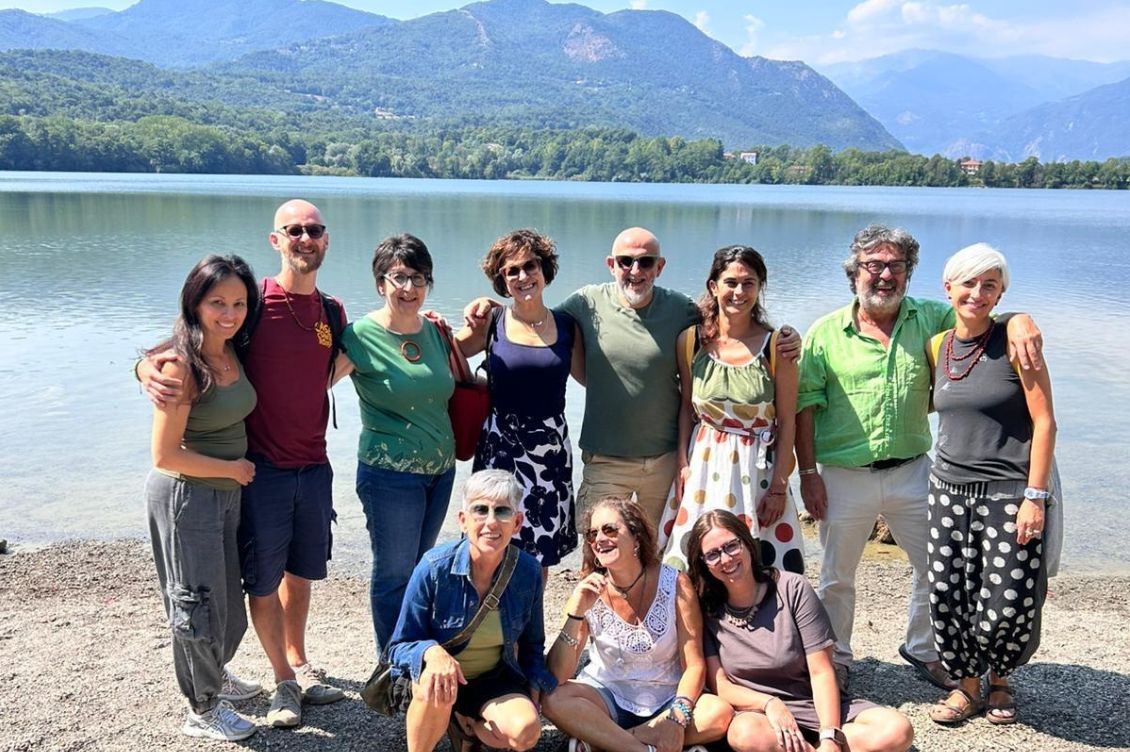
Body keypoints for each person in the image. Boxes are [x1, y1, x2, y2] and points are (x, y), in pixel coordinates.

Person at [795, 224, 1044, 693]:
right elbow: (805, 407)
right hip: (844, 475)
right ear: (855, 274)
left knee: (940, 570)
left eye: (896, 266)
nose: (884, 275)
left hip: (915, 470)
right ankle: (838, 658)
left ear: (910, 274)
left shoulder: (932, 319)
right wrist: (808, 475)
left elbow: (980, 316)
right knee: (835, 579)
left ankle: (924, 647)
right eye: (874, 266)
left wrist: (1019, 319)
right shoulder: (826, 333)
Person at [139, 199, 347, 728]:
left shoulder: (333, 312)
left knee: (296, 574)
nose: (305, 237)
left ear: (326, 239)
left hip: (313, 466)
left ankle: (297, 665)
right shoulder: (254, 305)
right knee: (254, 580)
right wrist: (142, 367)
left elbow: (361, 354)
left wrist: (439, 325)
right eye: (293, 230)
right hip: (258, 471)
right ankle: (273, 682)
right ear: (275, 240)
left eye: (314, 229)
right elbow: (184, 344)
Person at [466, 227, 800, 531]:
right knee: (599, 551)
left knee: (660, 554)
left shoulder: (682, 310)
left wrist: (782, 337)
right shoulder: (586, 303)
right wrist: (493, 307)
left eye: (645, 262)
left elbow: (730, 322)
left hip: (667, 460)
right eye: (626, 262)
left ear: (661, 266)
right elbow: (535, 318)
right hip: (605, 459)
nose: (635, 271)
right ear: (611, 264)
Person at [924, 244, 1057, 726]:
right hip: (947, 488)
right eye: (968, 284)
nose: (977, 294)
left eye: (989, 286)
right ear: (948, 288)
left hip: (1007, 492)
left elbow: (1045, 423)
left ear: (1002, 293)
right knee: (948, 592)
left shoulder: (1018, 343)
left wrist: (1035, 497)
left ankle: (1000, 677)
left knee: (1006, 599)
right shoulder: (937, 345)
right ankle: (966, 684)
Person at [144, 254, 260, 741]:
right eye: (217, 303)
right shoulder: (181, 366)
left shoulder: (234, 349)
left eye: (238, 302)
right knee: (195, 604)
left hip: (225, 498)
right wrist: (232, 469)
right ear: (195, 303)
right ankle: (201, 706)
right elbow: (165, 454)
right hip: (187, 498)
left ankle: (215, 674)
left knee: (228, 602)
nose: (229, 313)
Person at [686, 510, 914, 752]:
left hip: (814, 704)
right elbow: (720, 684)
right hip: (761, 717)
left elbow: (822, 671)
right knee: (744, 734)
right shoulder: (708, 609)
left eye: (731, 546)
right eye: (712, 554)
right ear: (703, 563)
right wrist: (770, 704)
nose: (726, 559)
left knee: (897, 730)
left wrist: (829, 736)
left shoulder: (792, 588)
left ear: (747, 543)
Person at [332, 233, 459, 658]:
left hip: (440, 473)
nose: (409, 288)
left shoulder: (437, 331)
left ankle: (411, 650)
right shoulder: (360, 336)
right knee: (393, 573)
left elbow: (460, 376)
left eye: (419, 278)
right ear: (380, 282)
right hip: (389, 476)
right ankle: (392, 663)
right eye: (399, 277)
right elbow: (309, 384)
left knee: (420, 569)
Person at [542, 496, 732, 752]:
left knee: (718, 713)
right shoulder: (590, 588)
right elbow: (557, 675)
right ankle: (643, 748)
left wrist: (677, 718)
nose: (599, 539)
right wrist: (575, 614)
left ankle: (607, 741)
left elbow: (694, 665)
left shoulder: (675, 583)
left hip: (667, 698)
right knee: (553, 700)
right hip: (607, 697)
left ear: (636, 537)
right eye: (592, 534)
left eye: (609, 529)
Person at [658, 245, 803, 575]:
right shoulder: (691, 341)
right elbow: (686, 409)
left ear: (760, 287)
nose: (739, 292)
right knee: (689, 563)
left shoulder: (777, 347)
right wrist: (682, 465)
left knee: (757, 565)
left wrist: (779, 487)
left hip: (757, 471)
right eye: (731, 283)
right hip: (704, 466)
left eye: (749, 283)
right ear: (714, 286)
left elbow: (787, 422)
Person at [386, 470, 555, 752]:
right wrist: (432, 652)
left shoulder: (528, 571)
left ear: (516, 523)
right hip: (438, 679)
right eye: (480, 510)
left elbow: (532, 643)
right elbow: (399, 645)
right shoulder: (433, 568)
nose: (491, 522)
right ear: (463, 521)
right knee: (436, 680)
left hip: (493, 679)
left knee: (526, 733)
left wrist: (535, 682)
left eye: (502, 511)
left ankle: (467, 726)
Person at [457, 229, 582, 577]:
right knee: (490, 541)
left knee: (539, 553)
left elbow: (593, 378)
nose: (523, 276)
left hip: (550, 453)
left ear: (544, 269)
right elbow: (446, 351)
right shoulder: (493, 322)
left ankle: (530, 628)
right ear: (502, 280)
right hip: (501, 447)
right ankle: (487, 626)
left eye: (530, 266)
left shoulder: (568, 326)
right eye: (512, 271)